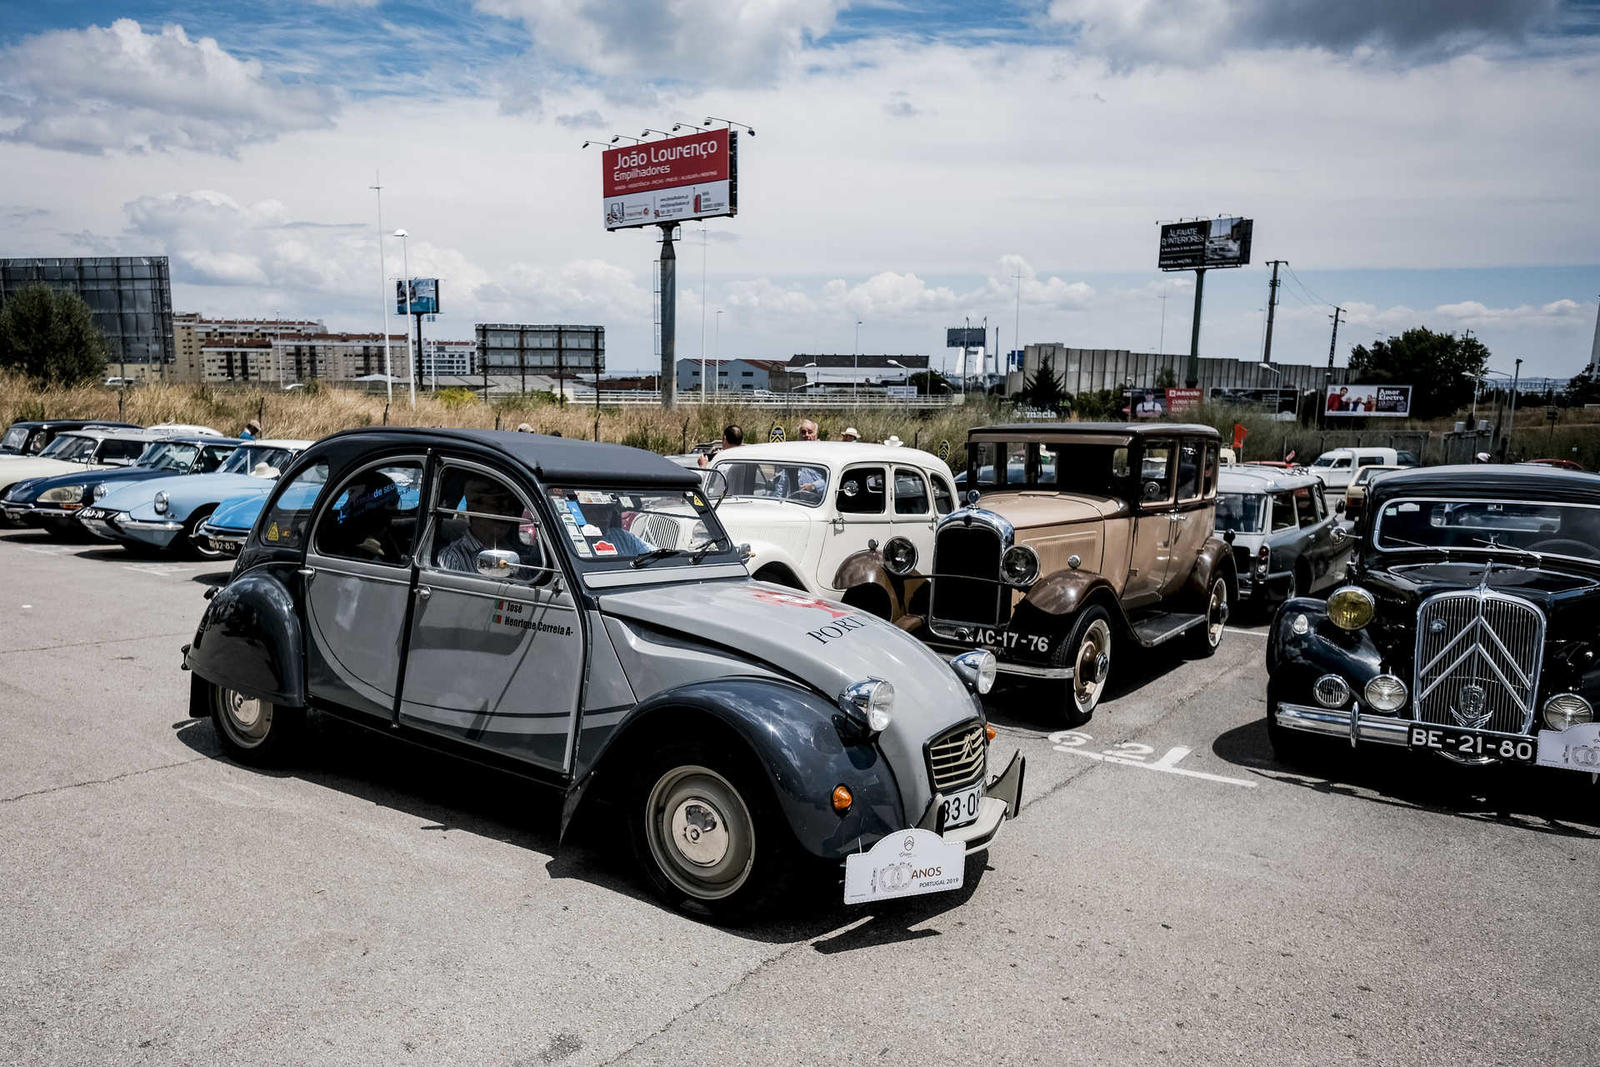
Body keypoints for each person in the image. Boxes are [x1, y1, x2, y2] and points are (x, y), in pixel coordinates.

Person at [438, 475, 543, 577]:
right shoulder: (453, 557)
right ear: (474, 509)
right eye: (498, 506)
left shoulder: (516, 553)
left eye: (510, 507)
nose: (506, 513)